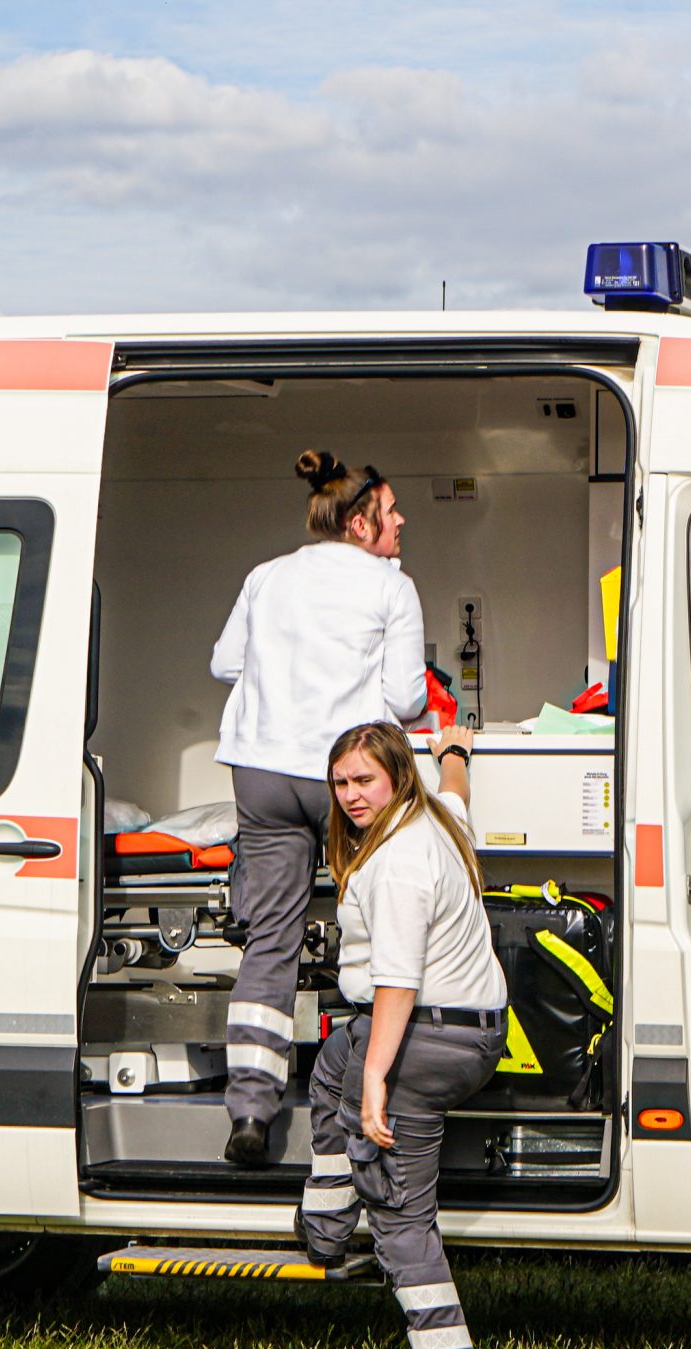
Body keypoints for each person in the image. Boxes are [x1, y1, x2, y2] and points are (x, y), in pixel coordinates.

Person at [210, 451, 427, 1168]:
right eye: (391, 511)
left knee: (270, 938)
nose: (401, 521)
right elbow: (407, 699)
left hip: (262, 773)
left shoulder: (266, 575)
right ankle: (370, 1084)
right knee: (371, 921)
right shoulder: (391, 587)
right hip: (342, 778)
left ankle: (250, 1108)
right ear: (361, 523)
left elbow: (224, 663)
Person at [298, 720, 504, 1349]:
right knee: (332, 1062)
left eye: (364, 780)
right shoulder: (435, 817)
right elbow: (458, 793)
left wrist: (376, 1080)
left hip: (425, 1036)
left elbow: (397, 981)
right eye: (340, 783)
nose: (351, 795)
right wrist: (455, 752)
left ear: (397, 777)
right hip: (470, 1031)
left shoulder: (398, 863)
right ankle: (326, 1224)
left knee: (399, 1212)